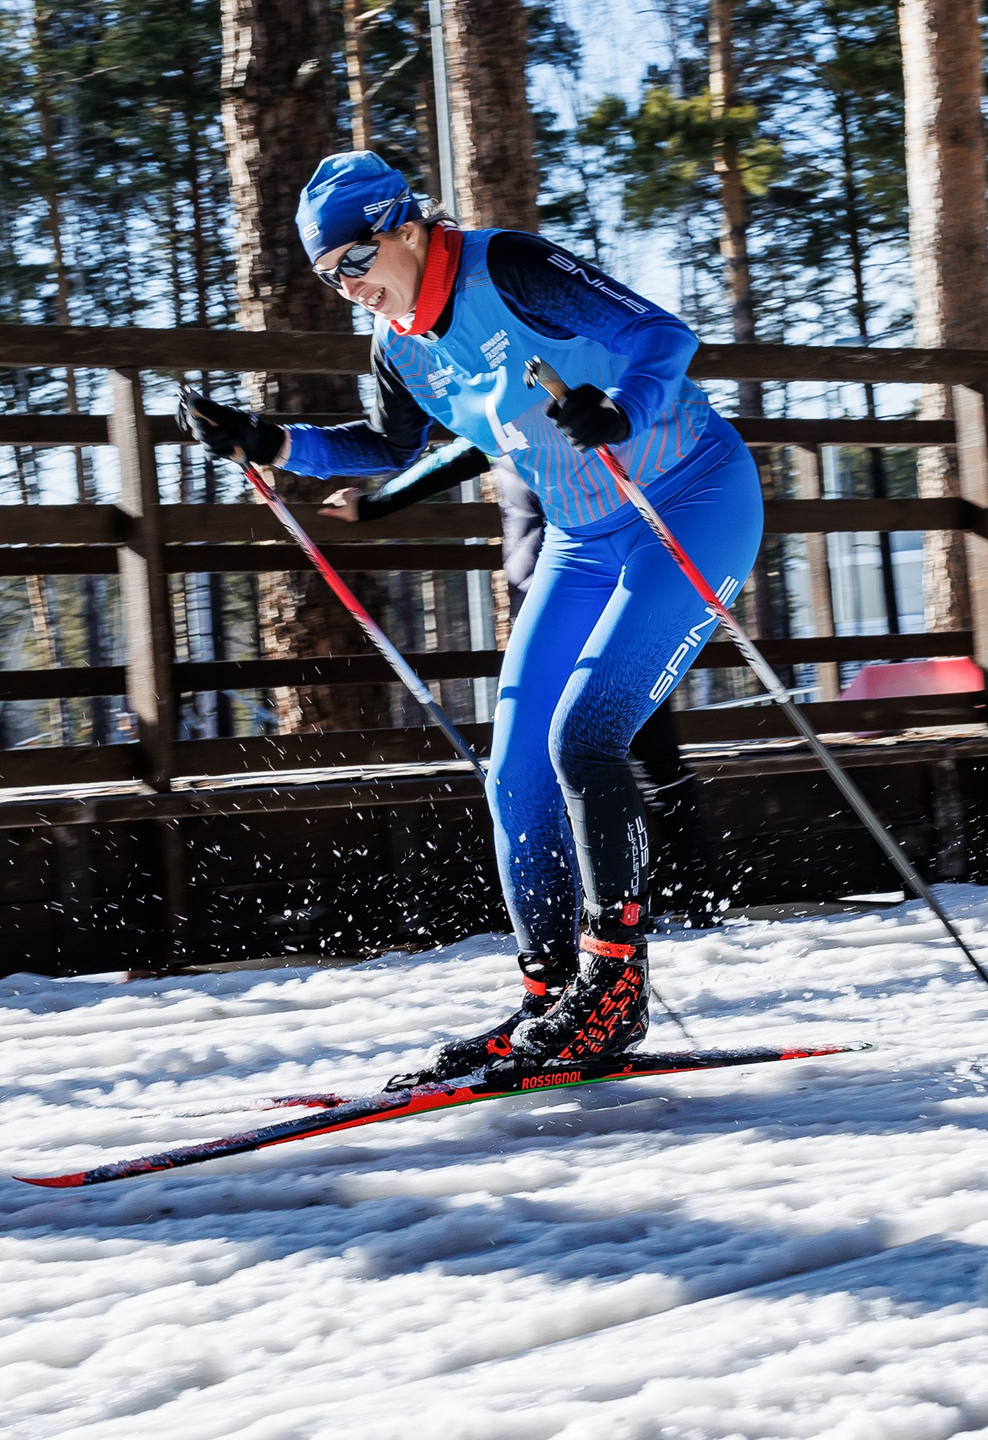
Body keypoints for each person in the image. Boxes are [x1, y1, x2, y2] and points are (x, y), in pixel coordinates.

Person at [177, 151, 762, 1079]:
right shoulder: (399, 345)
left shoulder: (511, 268)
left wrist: (621, 406)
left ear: (404, 225)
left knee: (588, 736)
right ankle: (553, 991)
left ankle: (614, 987)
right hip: (578, 537)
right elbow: (385, 443)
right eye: (329, 276)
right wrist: (268, 440)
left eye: (354, 260)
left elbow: (662, 335)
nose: (349, 286)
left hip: (686, 498)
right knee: (514, 766)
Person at [317, 440, 724, 925]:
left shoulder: (593, 419)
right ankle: (612, 903)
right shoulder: (505, 425)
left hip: (617, 603)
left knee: (641, 755)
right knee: (562, 764)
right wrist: (373, 504)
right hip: (547, 609)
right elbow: (455, 456)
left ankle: (686, 892)